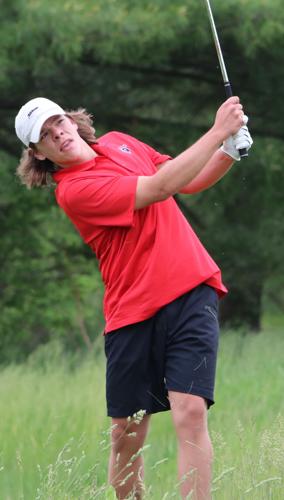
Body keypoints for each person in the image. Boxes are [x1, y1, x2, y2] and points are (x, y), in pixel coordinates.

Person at [15, 96, 252, 499]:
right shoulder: (74, 190)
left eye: (57, 122)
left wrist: (228, 152)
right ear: (39, 154)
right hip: (132, 315)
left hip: (192, 289)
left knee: (191, 412)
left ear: (71, 121)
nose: (57, 132)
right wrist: (217, 131)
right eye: (44, 135)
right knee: (128, 433)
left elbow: (186, 180)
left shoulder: (121, 141)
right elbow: (161, 188)